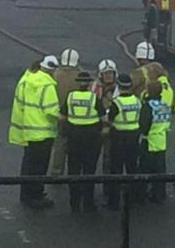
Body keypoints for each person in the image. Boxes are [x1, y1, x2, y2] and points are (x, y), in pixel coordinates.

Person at [9, 55, 60, 209]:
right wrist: (65, 115)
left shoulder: (26, 79)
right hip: (43, 132)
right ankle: (36, 195)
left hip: (28, 130)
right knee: (39, 167)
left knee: (28, 164)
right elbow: (51, 110)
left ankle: (26, 194)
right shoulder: (47, 84)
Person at [59, 72, 106, 213]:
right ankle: (88, 202)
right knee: (89, 170)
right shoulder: (94, 98)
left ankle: (74, 202)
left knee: (73, 169)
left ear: (78, 82)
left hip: (74, 136)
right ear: (89, 84)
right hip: (91, 138)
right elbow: (104, 119)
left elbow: (61, 117)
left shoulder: (71, 96)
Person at [107, 74, 142, 210]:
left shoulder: (117, 103)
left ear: (119, 86)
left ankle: (113, 201)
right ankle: (133, 198)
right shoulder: (137, 101)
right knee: (132, 167)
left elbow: (110, 119)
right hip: (134, 136)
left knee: (116, 169)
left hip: (119, 136)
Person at [48, 49, 81, 176]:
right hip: (77, 117)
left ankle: (56, 171)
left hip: (59, 115)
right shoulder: (80, 76)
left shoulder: (55, 75)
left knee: (59, 145)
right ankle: (75, 172)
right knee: (76, 145)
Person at [139, 81, 171, 203]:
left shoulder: (147, 106)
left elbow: (144, 125)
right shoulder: (164, 105)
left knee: (145, 169)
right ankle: (159, 194)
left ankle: (142, 194)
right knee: (160, 170)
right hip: (161, 140)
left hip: (149, 141)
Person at [92, 59, 119, 196]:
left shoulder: (118, 89)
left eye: (111, 74)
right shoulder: (95, 88)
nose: (108, 76)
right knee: (91, 159)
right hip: (96, 129)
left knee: (109, 160)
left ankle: (108, 190)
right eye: (106, 74)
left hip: (112, 130)